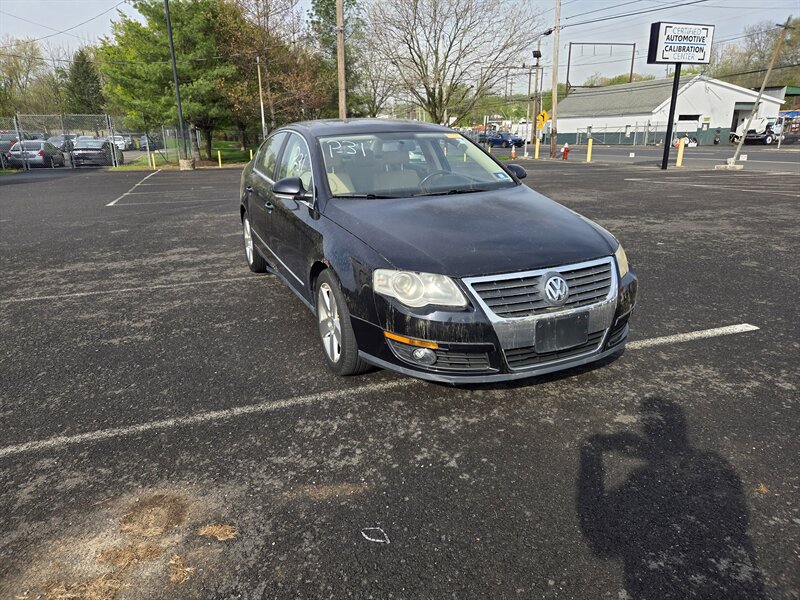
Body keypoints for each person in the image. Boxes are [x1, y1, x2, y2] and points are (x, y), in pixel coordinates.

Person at [577, 397, 766, 600]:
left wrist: (591, 456)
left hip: (660, 586)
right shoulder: (714, 465)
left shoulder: (642, 483)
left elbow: (600, 537)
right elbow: (737, 518)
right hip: (731, 586)